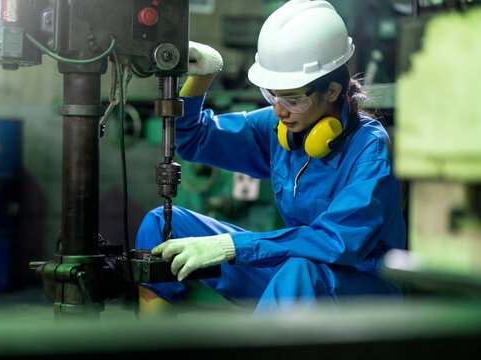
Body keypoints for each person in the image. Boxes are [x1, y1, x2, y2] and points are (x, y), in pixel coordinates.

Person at [136, 0, 405, 314]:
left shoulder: (369, 151)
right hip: (293, 270)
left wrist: (230, 246)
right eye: (272, 95)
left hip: (361, 291)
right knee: (163, 225)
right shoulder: (281, 126)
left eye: (291, 98)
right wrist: (202, 78)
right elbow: (196, 138)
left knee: (300, 271)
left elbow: (336, 242)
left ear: (332, 90)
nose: (278, 110)